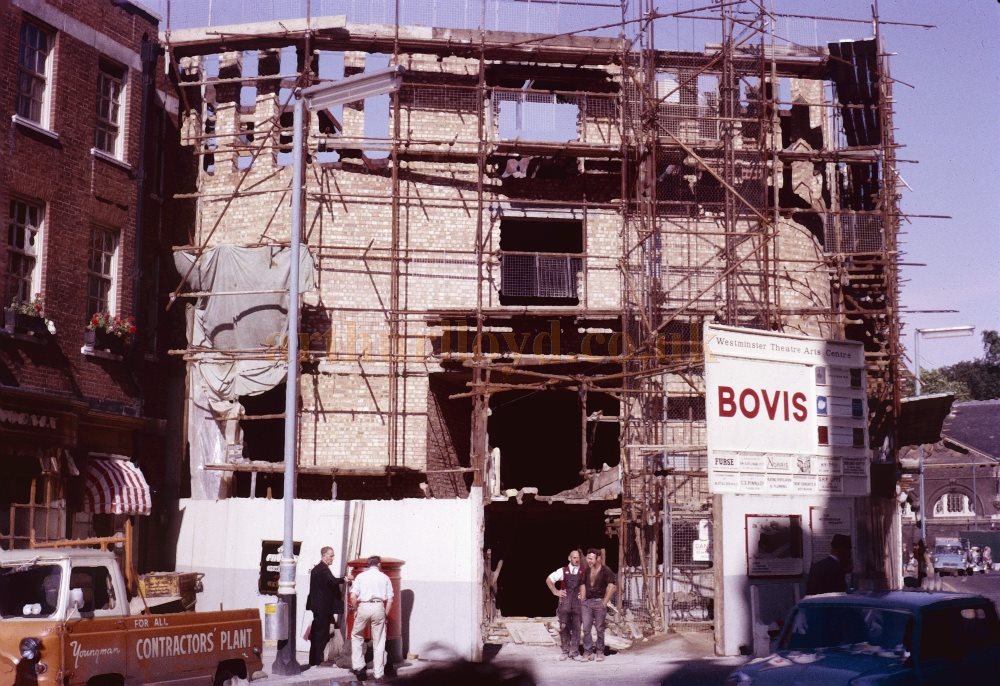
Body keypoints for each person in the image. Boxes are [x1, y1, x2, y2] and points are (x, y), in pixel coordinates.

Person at [350, 555, 394, 682]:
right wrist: (385, 614)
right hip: (379, 606)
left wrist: (356, 609)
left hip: (363, 606)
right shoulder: (385, 577)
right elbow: (390, 600)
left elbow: (353, 596)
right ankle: (378, 674)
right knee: (379, 641)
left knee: (357, 636)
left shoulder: (361, 576)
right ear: (379, 564)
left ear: (368, 565)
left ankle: (359, 667)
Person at [305, 546, 344, 667]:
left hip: (317, 607)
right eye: (331, 555)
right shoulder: (324, 569)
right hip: (323, 608)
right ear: (324, 555)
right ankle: (317, 660)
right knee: (321, 635)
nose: (333, 558)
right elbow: (332, 581)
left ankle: (314, 660)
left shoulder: (317, 569)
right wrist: (345, 579)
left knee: (317, 633)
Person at [545, 549, 584, 661]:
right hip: (565, 603)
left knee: (577, 627)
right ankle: (565, 651)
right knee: (564, 627)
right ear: (569, 558)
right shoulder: (563, 571)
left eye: (578, 557)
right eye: (574, 557)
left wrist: (584, 594)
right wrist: (556, 592)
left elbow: (589, 585)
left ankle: (574, 652)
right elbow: (549, 580)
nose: (576, 560)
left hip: (577, 604)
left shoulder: (583, 571)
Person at [578, 548, 616, 662]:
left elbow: (612, 587)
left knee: (600, 628)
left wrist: (604, 602)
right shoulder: (586, 571)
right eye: (588, 558)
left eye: (591, 558)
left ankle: (600, 652)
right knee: (586, 629)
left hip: (600, 602)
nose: (588, 561)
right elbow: (583, 584)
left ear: (598, 558)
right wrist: (583, 600)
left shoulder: (606, 571)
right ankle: (587, 652)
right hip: (587, 603)